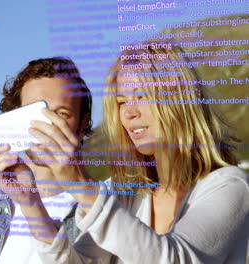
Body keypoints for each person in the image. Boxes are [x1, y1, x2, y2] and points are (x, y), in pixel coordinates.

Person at [23, 43, 249, 263]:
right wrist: (29, 201)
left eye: (141, 96)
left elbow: (175, 259)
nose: (129, 112)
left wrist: (81, 185)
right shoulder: (125, 193)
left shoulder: (231, 187)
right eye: (122, 102)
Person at [0, 57, 99, 264]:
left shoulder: (105, 211)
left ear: (83, 123)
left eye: (61, 114)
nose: (45, 125)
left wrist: (31, 202)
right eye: (35, 113)